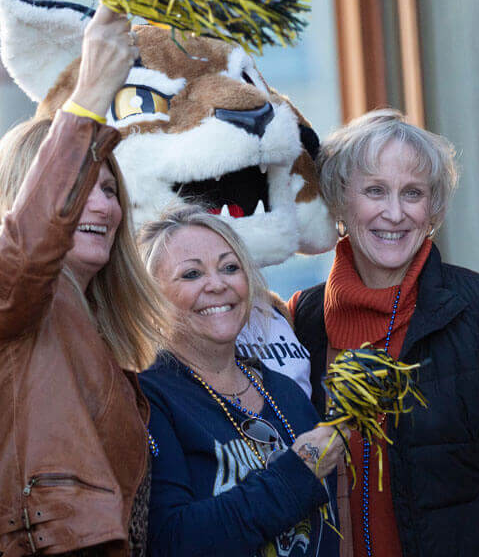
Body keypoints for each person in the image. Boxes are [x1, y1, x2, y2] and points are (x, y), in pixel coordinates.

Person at [0, 6, 169, 556]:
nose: (102, 204)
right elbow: (29, 248)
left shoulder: (98, 335)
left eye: (110, 190)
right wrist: (88, 95)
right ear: (26, 197)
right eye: (81, 184)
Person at [290, 109, 479, 557]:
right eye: (375, 191)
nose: (394, 213)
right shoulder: (301, 319)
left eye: (412, 193)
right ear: (339, 199)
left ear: (432, 209)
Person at [136, 206, 342, 556]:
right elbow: (172, 540)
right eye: (191, 274)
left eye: (230, 268)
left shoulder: (285, 391)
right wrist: (298, 471)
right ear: (151, 296)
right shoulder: (147, 399)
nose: (217, 284)